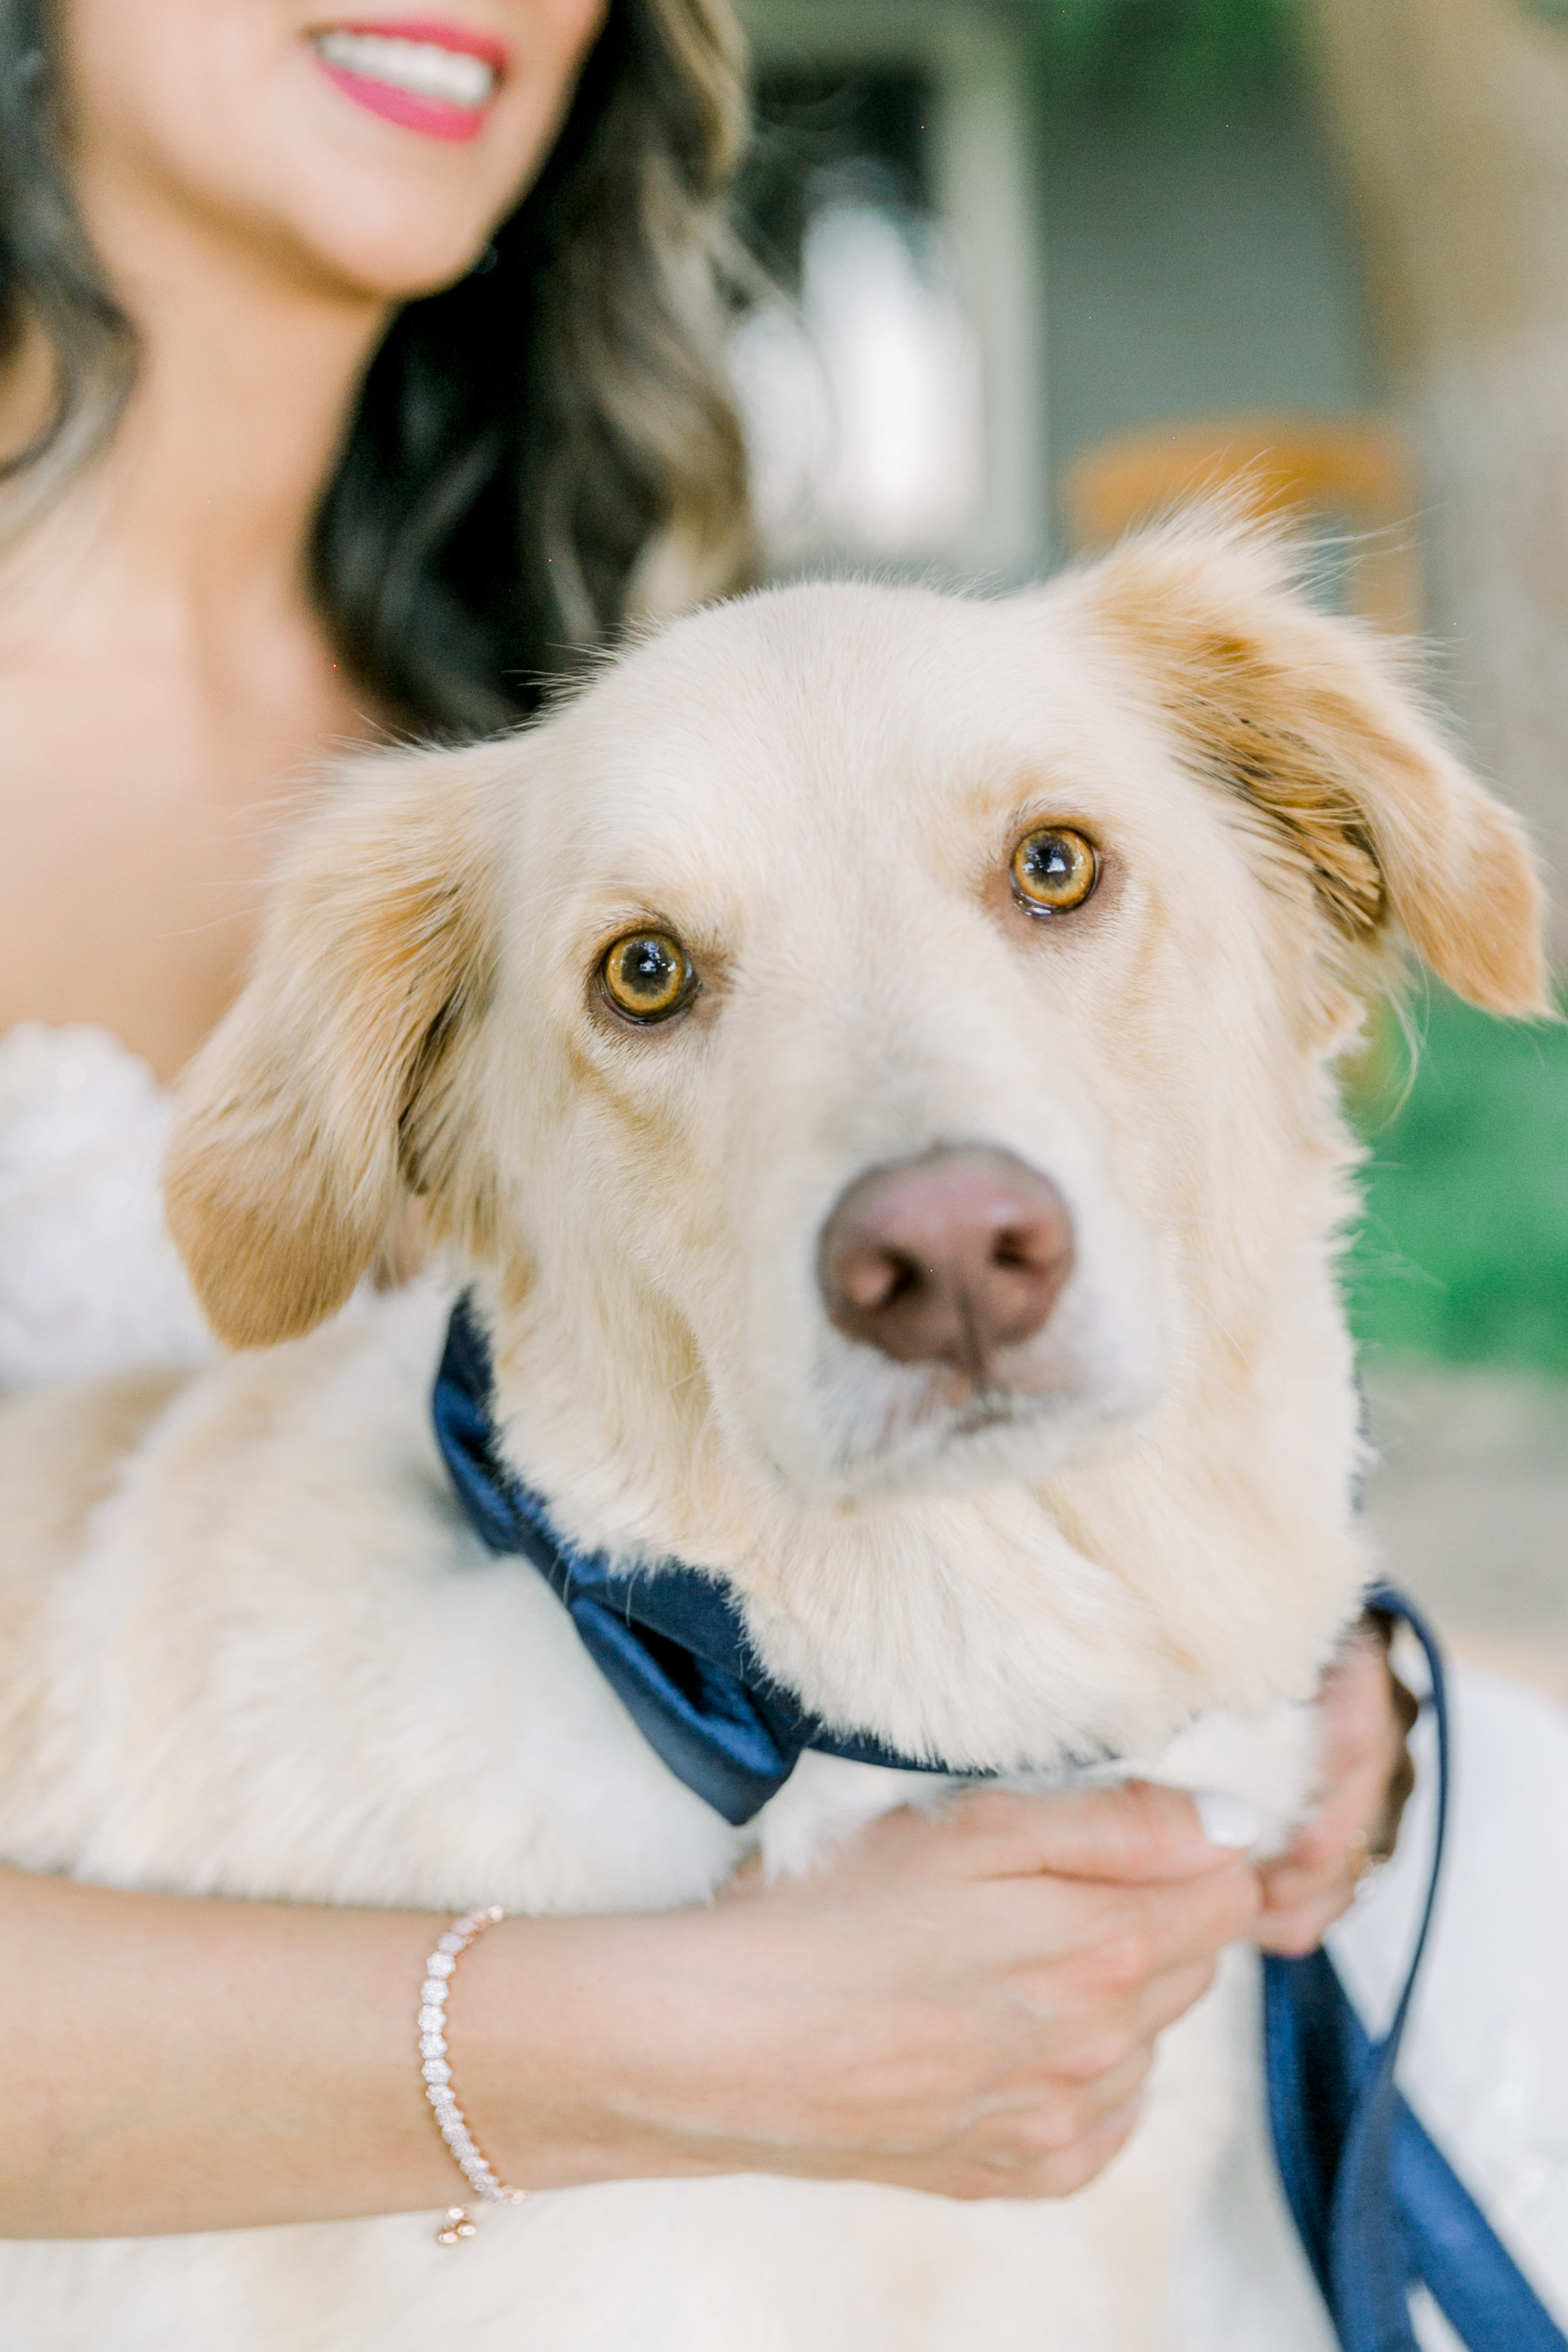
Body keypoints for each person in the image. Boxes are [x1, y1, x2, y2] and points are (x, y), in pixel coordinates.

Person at [0, 0, 1411, 2244]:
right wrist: (685, 2047)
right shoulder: (496, 873)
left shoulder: (652, 668)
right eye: (651, 975)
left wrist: (1240, 1659)